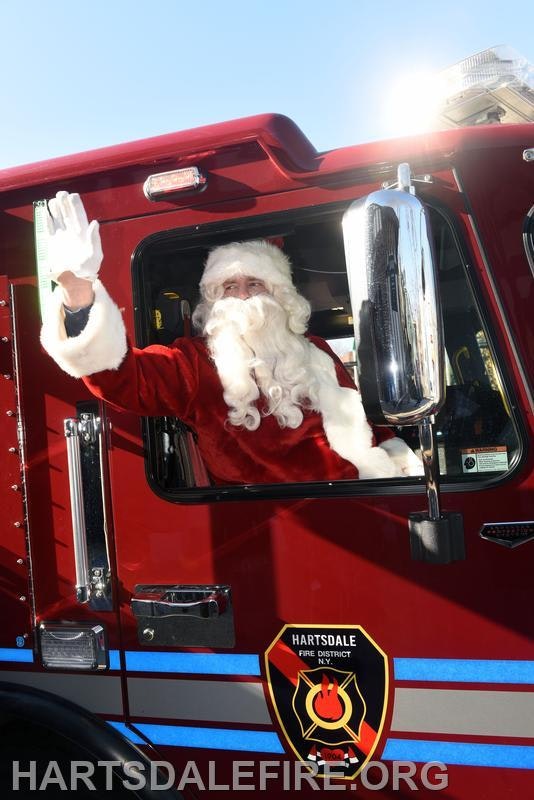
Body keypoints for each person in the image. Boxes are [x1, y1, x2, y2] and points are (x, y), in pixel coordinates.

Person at [40, 192, 423, 485]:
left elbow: (367, 425)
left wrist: (399, 464)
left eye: (255, 283)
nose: (242, 296)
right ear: (213, 299)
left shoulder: (316, 351)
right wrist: (78, 291)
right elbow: (122, 378)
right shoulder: (193, 362)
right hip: (275, 529)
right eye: (229, 287)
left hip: (362, 498)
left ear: (280, 295)